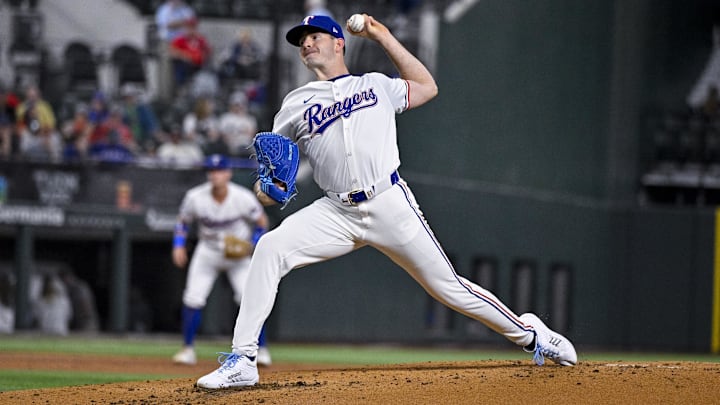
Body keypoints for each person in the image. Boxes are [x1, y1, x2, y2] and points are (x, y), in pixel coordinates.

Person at [196, 14, 577, 389]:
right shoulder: (296, 102)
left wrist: (383, 36)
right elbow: (270, 179)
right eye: (301, 41)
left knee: (449, 289)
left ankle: (531, 336)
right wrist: (269, 191)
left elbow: (427, 87)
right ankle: (243, 360)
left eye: (315, 36)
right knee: (270, 247)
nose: (307, 43)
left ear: (338, 43)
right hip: (336, 211)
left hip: (388, 201)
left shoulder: (376, 85)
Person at [171, 154, 272, 366]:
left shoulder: (242, 197)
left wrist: (254, 243)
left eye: (219, 171)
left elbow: (262, 221)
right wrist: (178, 245)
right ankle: (187, 349)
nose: (215, 175)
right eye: (211, 171)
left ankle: (261, 350)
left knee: (250, 299)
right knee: (192, 299)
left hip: (238, 255)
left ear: (228, 173)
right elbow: (183, 222)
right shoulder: (195, 197)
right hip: (208, 251)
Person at [14, 84, 62, 161]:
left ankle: (55, 166)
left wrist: (44, 134)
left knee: (55, 138)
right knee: (24, 137)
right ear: (27, 96)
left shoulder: (44, 106)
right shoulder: (22, 107)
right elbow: (19, 124)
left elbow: (51, 124)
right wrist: (29, 113)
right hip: (29, 134)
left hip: (43, 134)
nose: (32, 98)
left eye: (34, 95)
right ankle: (22, 164)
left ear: (38, 96)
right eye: (30, 95)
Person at [168, 17, 212, 95]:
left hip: (199, 66)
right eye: (188, 27)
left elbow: (208, 51)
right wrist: (184, 55)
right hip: (185, 65)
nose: (190, 30)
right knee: (181, 67)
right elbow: (172, 52)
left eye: (193, 27)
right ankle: (182, 90)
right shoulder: (180, 40)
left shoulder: (200, 40)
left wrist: (203, 55)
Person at [218, 91, 257, 157]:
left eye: (241, 104)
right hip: (231, 145)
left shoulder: (250, 119)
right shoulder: (225, 118)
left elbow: (252, 134)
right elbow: (223, 135)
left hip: (246, 145)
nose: (239, 107)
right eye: (236, 105)